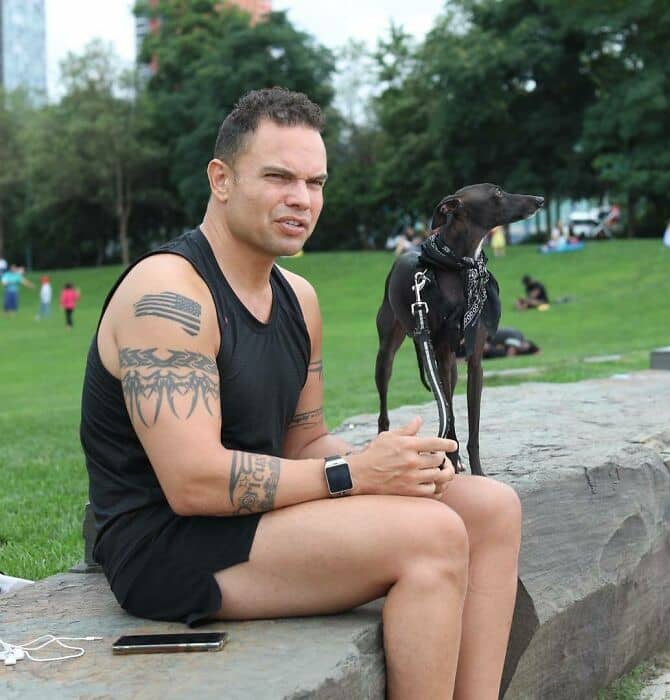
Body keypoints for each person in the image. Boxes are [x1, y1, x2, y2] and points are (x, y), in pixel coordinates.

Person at [80, 87, 521, 700]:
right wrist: (353, 475)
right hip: (164, 545)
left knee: (491, 509)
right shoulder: (169, 296)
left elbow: (304, 442)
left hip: (255, 517)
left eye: (315, 183)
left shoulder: (298, 297)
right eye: (279, 177)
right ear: (222, 179)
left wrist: (393, 463)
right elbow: (193, 483)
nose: (302, 199)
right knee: (432, 537)